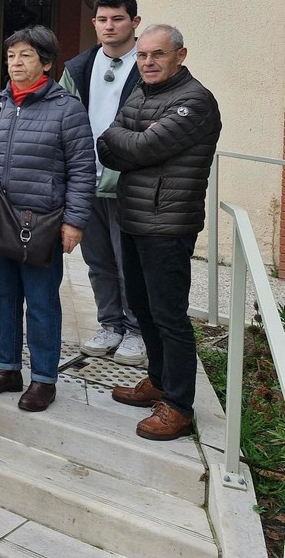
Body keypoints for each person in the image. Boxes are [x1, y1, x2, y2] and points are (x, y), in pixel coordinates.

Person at [0, 26, 96, 413]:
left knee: (40, 301)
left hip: (43, 221)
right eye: (11, 56)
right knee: (2, 298)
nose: (16, 64)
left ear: (47, 64)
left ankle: (44, 379)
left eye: (26, 56)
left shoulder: (67, 108)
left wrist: (75, 221)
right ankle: (7, 369)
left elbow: (83, 170)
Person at [98, 24, 221, 441]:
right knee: (143, 307)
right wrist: (129, 141)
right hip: (134, 218)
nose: (148, 62)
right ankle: (159, 381)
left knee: (169, 315)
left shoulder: (195, 101)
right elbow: (107, 146)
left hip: (168, 224)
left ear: (180, 55)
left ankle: (180, 406)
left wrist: (128, 142)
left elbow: (135, 149)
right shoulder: (142, 93)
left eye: (158, 55)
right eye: (143, 55)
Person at [58, 0, 145, 366]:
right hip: (86, 181)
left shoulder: (149, 65)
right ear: (94, 23)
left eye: (118, 19)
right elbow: (61, 119)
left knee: (131, 263)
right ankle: (110, 325)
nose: (109, 26)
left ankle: (138, 331)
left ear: (134, 23)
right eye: (102, 19)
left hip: (131, 183)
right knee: (99, 262)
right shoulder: (78, 66)